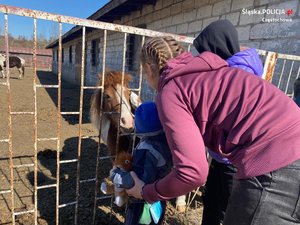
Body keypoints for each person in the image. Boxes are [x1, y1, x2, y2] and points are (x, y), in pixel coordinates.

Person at [126, 36, 300, 225]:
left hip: (274, 164)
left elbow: (192, 173)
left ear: (149, 69)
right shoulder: (218, 72)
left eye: (144, 73)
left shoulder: (172, 90)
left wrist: (146, 191)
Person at [193, 19, 263, 225]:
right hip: (226, 158)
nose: (202, 58)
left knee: (220, 210)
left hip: (231, 159)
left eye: (205, 52)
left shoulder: (235, 76)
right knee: (215, 203)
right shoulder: (240, 69)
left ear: (217, 48)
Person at [111, 101, 172, 225]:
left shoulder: (146, 149)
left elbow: (139, 179)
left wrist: (117, 176)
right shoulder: (167, 142)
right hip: (159, 195)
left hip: (143, 202)